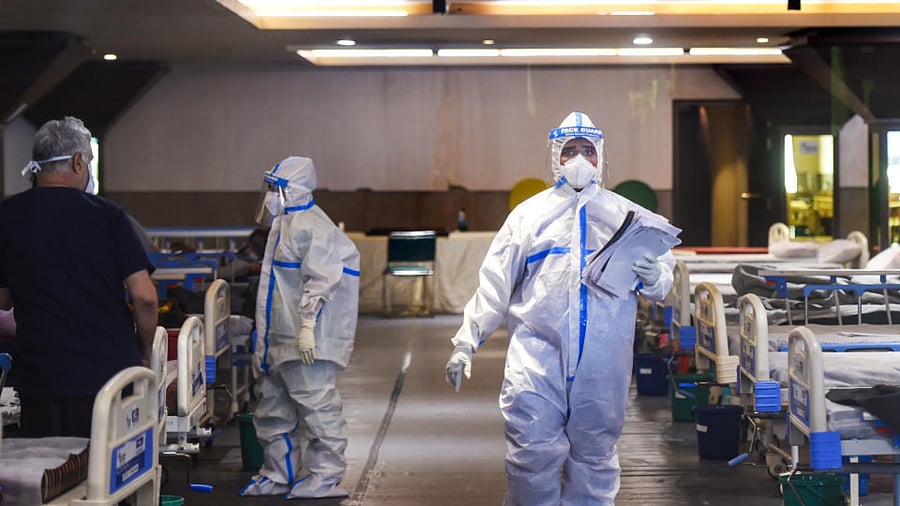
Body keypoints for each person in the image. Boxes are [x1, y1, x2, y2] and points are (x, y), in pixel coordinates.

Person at [445, 111, 676, 505]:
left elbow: (664, 277)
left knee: (595, 457)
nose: (581, 159)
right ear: (556, 156)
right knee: (530, 456)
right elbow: (494, 283)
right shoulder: (528, 216)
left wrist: (655, 275)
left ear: (601, 156)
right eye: (571, 150)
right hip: (537, 359)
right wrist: (467, 341)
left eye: (588, 150)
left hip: (603, 363)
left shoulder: (629, 216)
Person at [0, 116, 158, 438]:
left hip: (41, 375)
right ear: (77, 162)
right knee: (110, 475)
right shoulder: (108, 216)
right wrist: (144, 350)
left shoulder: (8, 216)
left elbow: (3, 300)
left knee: (52, 474)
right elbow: (145, 297)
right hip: (108, 374)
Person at [240, 156, 360, 499]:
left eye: (276, 189)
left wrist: (308, 325)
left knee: (318, 406)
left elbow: (322, 279)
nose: (270, 197)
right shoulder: (285, 226)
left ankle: (326, 475)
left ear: (293, 190)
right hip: (281, 336)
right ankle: (278, 473)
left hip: (307, 339)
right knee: (272, 407)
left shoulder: (312, 226)